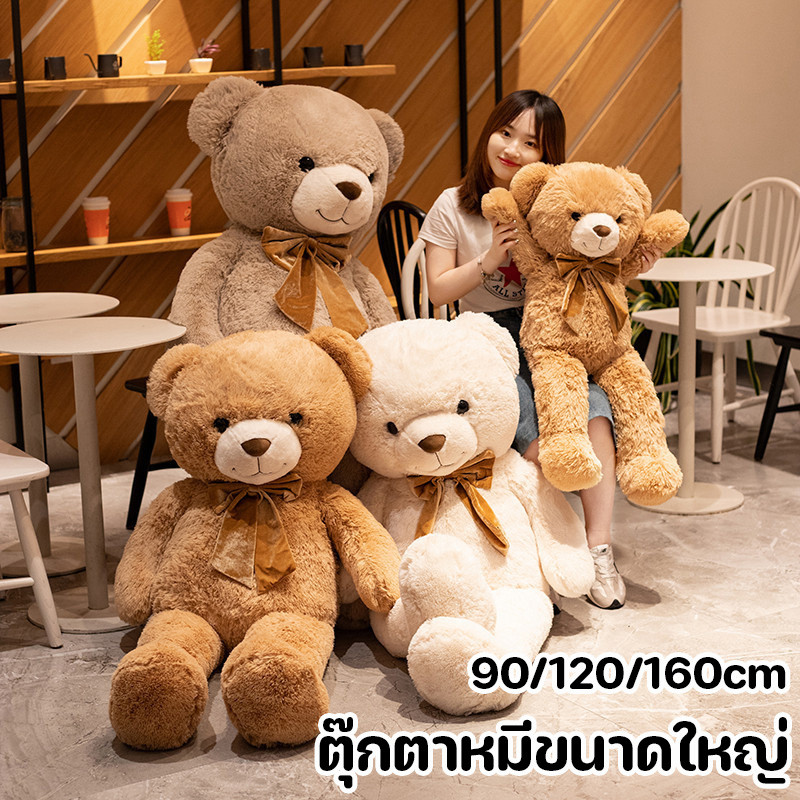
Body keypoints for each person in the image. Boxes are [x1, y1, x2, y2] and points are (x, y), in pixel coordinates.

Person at [418, 89, 659, 610]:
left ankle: (598, 549)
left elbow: (592, 268)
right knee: (534, 433)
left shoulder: (556, 204)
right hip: (486, 337)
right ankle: (554, 542)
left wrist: (631, 261)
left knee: (595, 415)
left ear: (547, 156)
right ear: (489, 132)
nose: (512, 149)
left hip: (553, 336)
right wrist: (488, 259)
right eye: (505, 133)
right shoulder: (451, 205)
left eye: (531, 143)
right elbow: (437, 290)